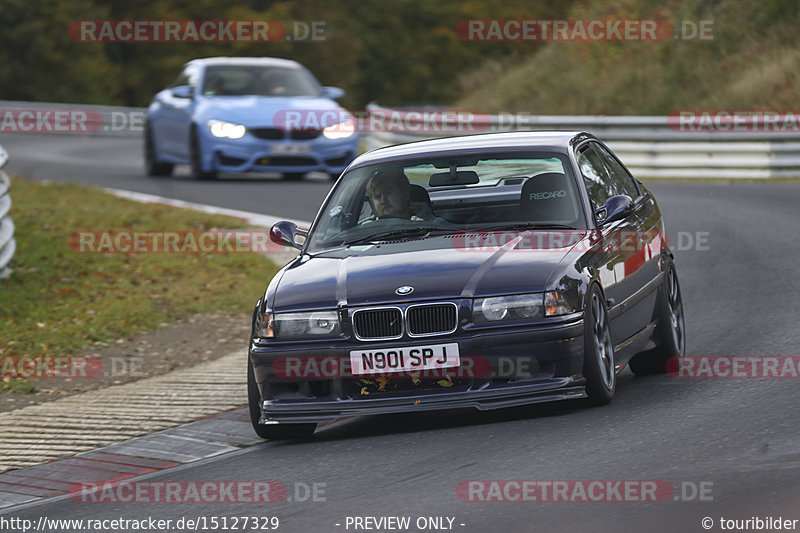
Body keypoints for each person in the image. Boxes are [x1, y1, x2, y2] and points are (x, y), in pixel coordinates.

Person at [365, 168, 441, 222]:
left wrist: (425, 229)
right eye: (377, 196)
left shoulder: (433, 224)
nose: (383, 200)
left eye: (389, 193)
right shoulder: (365, 230)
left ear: (405, 194)